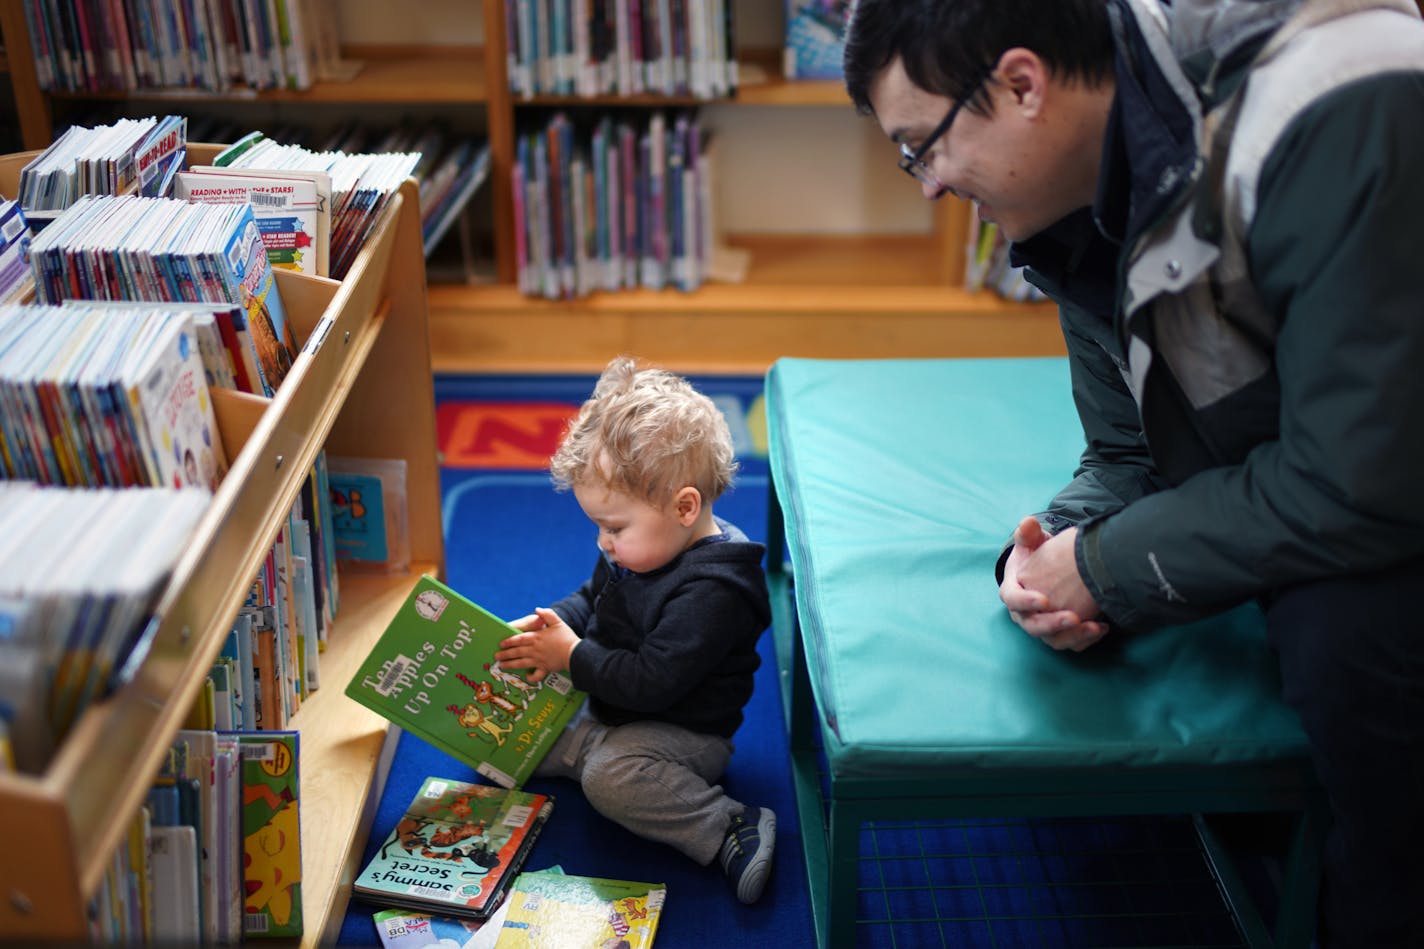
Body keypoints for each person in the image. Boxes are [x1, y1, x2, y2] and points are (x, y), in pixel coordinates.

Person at [842, 0, 1424, 945]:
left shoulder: (1340, 108)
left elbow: (1362, 483)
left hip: (1387, 479)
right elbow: (1128, 452)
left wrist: (1109, 566)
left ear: (1023, 84)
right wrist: (1054, 555)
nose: (930, 187)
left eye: (924, 147)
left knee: (1345, 642)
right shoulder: (1086, 196)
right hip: (1340, 460)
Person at [493, 356, 776, 904]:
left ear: (685, 507)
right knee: (513, 733)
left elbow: (652, 682)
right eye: (600, 526)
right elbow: (590, 598)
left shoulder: (716, 590)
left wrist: (571, 657)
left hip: (684, 732)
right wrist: (549, 627)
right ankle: (594, 747)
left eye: (614, 526)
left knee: (610, 780)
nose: (604, 541)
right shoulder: (640, 550)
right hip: (613, 704)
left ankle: (727, 823)